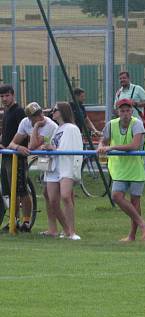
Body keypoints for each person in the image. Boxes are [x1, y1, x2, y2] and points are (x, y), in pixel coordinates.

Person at [97, 99, 145, 242]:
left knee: (135, 201)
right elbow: (104, 140)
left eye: (128, 111)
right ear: (117, 112)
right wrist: (101, 146)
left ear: (132, 112)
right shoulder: (111, 125)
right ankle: (143, 224)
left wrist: (111, 147)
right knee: (116, 196)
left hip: (138, 167)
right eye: (122, 111)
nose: (125, 114)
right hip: (120, 168)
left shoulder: (137, 124)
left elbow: (134, 145)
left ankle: (132, 235)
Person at [6, 102, 58, 234]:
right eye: (36, 116)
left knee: (55, 195)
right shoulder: (24, 122)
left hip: (57, 161)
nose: (40, 116)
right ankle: (51, 229)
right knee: (47, 194)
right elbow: (12, 143)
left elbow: (32, 146)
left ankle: (62, 229)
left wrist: (35, 127)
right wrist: (18, 147)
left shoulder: (49, 125)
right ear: (29, 118)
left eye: (40, 113)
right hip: (46, 162)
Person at [41, 102, 83, 240]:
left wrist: (52, 149)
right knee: (52, 200)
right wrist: (47, 148)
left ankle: (72, 231)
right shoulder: (57, 129)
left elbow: (69, 149)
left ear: (63, 111)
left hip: (66, 166)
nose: (52, 112)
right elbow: (56, 147)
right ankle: (65, 230)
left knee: (65, 196)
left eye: (55, 110)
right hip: (54, 167)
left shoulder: (71, 128)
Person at [0, 84, 33, 232]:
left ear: (13, 95)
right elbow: (7, 134)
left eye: (7, 95)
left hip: (18, 156)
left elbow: (25, 132)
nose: (4, 99)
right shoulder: (6, 112)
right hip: (6, 155)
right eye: (2, 96)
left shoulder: (19, 111)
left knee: (21, 190)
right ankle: (13, 220)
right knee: (9, 191)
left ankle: (26, 222)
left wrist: (18, 147)